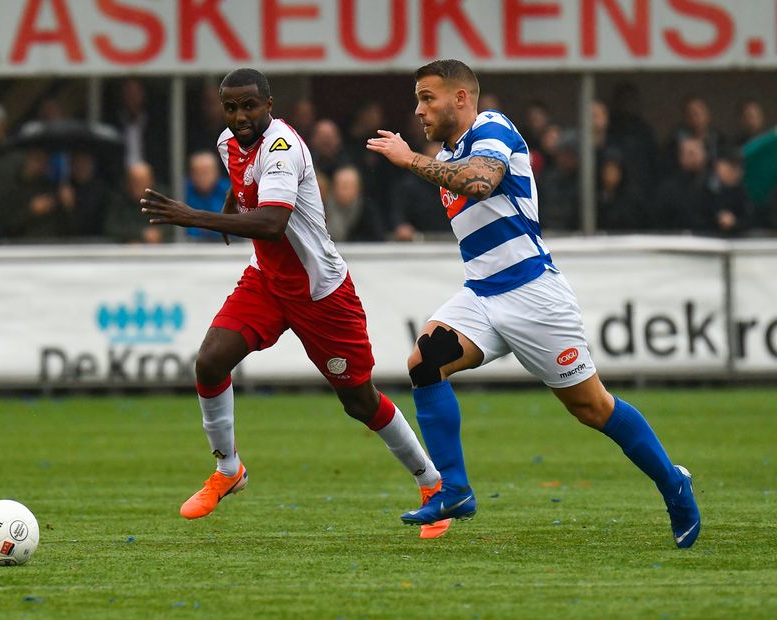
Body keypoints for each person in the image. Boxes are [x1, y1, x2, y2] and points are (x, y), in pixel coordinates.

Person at [366, 59, 701, 548]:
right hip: (482, 291)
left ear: (461, 98)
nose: (419, 109)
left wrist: (407, 158)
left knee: (592, 408)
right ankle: (456, 490)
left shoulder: (492, 127)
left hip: (532, 294)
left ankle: (674, 483)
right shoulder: (452, 150)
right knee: (425, 359)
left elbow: (480, 182)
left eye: (427, 97)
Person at [140, 68, 448, 539]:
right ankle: (228, 470)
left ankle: (432, 484)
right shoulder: (229, 141)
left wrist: (191, 216)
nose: (240, 116)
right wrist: (227, 209)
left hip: (321, 292)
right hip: (267, 281)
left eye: (249, 106)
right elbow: (243, 183)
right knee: (210, 361)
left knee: (360, 401)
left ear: (270, 104)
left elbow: (271, 224)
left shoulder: (283, 148)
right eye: (231, 107)